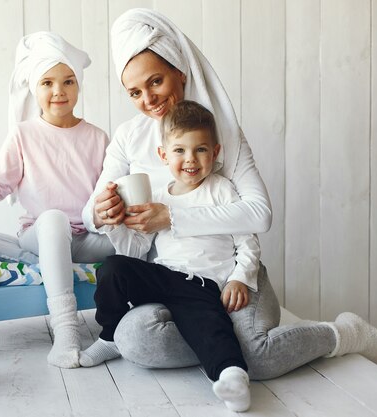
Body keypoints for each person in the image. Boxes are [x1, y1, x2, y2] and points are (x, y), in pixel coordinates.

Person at [81, 8, 377, 378]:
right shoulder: (128, 137)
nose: (148, 99)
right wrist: (101, 212)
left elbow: (259, 213)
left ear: (179, 72)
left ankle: (344, 334)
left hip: (233, 273)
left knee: (260, 361)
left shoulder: (219, 133)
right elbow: (91, 208)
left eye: (156, 82)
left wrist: (172, 216)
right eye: (135, 92)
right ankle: (221, 338)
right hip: (176, 278)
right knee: (137, 340)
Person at [0, 32, 114, 369]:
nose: (59, 91)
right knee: (54, 219)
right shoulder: (23, 135)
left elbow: (107, 192)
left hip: (85, 237)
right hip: (40, 235)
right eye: (48, 83)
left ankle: (139, 317)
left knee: (133, 240)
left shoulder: (98, 137)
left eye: (68, 81)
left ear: (78, 85)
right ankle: (67, 331)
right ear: (34, 88)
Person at [81, 100, 258, 412]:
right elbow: (135, 249)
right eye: (179, 151)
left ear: (215, 153)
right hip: (162, 276)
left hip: (201, 285)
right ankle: (109, 337)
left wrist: (239, 278)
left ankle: (233, 376)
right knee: (113, 267)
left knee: (211, 327)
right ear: (163, 155)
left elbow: (247, 242)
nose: (190, 159)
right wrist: (113, 225)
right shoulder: (160, 197)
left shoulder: (222, 190)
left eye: (200, 150)